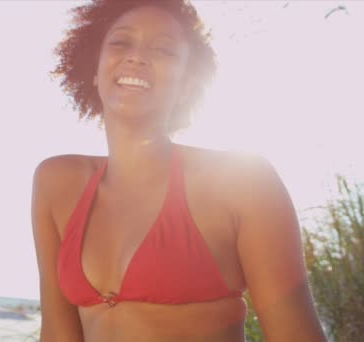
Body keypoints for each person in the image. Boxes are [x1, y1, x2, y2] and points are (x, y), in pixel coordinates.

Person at [31, 0, 326, 341]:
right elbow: (56, 332)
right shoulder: (56, 182)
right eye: (121, 42)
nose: (136, 56)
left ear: (187, 83)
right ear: (94, 69)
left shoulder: (243, 182)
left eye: (164, 50)